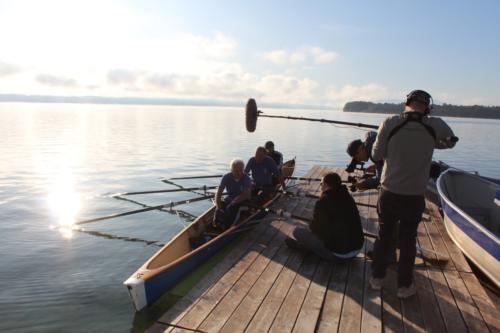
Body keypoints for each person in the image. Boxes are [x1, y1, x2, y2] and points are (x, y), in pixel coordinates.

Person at [369, 89, 456, 298]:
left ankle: (377, 279)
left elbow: (376, 155)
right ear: (427, 107)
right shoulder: (436, 124)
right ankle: (404, 286)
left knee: (383, 235)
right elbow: (450, 142)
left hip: (389, 192)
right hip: (414, 195)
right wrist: (431, 143)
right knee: (408, 240)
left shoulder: (389, 122)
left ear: (406, 102)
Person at [285, 172, 364, 261]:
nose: (320, 186)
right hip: (357, 249)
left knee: (297, 232)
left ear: (326, 185)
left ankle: (306, 248)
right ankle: (308, 248)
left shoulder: (322, 201)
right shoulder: (347, 196)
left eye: (321, 184)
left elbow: (315, 228)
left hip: (340, 254)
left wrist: (309, 226)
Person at [213, 159, 252, 229]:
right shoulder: (226, 177)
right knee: (219, 208)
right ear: (231, 170)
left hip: (243, 201)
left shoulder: (247, 178)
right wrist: (218, 205)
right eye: (236, 171)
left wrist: (234, 202)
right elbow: (219, 193)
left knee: (231, 209)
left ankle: (228, 228)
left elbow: (246, 194)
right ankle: (216, 224)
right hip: (230, 199)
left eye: (241, 170)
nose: (239, 173)